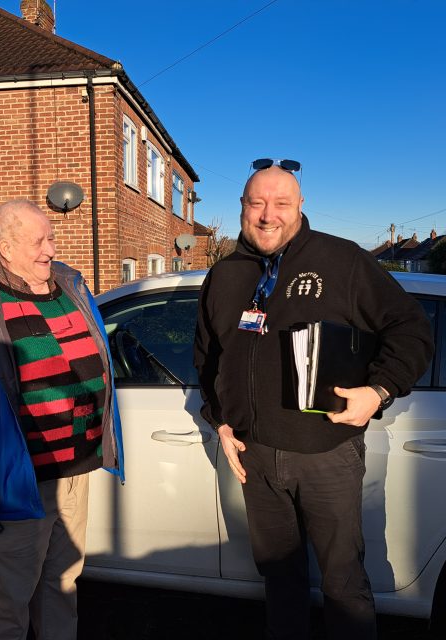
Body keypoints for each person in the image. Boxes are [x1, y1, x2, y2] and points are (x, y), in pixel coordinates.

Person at [194, 159, 433, 640]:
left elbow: (412, 328)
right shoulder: (224, 276)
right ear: (241, 207)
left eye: (281, 204)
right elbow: (208, 357)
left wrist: (379, 389)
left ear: (301, 206)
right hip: (256, 457)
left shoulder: (341, 261)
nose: (268, 215)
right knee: (280, 580)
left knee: (343, 583)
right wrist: (219, 419)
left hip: (327, 453)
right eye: (257, 203)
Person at [0, 199, 124, 640]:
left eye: (51, 238)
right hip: (23, 483)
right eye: (37, 241)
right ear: (5, 248)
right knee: (11, 596)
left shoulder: (73, 288)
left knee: (63, 583)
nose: (49, 250)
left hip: (77, 471)